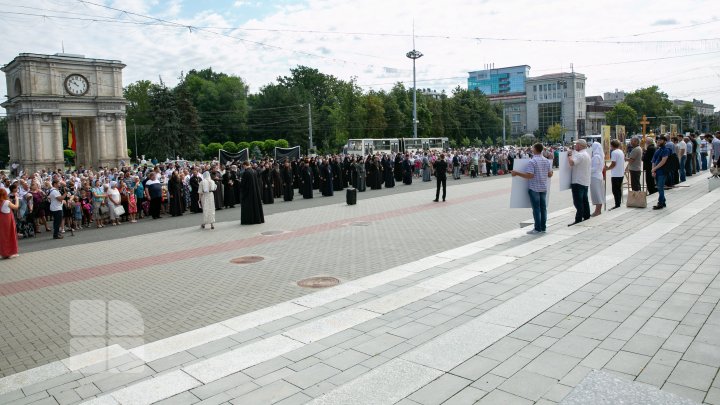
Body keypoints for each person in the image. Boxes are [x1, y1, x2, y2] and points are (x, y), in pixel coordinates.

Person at [511, 143, 553, 234]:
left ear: (535, 149)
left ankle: (537, 228)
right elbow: (550, 174)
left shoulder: (532, 161)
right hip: (543, 187)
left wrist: (517, 173)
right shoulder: (546, 160)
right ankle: (543, 227)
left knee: (536, 209)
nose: (531, 149)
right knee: (543, 208)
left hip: (534, 188)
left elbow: (530, 175)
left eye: (532, 147)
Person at [567, 139, 591, 226]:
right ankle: (586, 215)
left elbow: (572, 163)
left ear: (580, 145)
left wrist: (569, 155)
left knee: (578, 201)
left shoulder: (580, 155)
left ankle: (578, 219)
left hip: (578, 181)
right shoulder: (587, 154)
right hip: (584, 180)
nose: (575, 146)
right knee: (585, 200)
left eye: (576, 145)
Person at [651, 135, 671, 210]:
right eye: (658, 140)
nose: (658, 141)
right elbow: (653, 160)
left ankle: (660, 203)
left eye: (660, 140)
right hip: (656, 171)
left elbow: (663, 161)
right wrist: (653, 170)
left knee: (660, 188)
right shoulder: (658, 150)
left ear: (665, 141)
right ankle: (663, 201)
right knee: (659, 187)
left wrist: (654, 169)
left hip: (662, 171)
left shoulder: (666, 150)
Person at [0, 188, 20, 258]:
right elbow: (16, 207)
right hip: (8, 220)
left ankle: (4, 253)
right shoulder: (6, 202)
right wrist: (17, 199)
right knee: (10, 235)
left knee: (3, 236)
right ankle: (10, 252)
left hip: (1, 220)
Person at [607, 140, 625, 210]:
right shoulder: (621, 151)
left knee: (615, 190)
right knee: (618, 189)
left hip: (616, 174)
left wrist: (608, 168)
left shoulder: (614, 152)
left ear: (612, 145)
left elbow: (613, 163)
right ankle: (618, 203)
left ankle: (617, 204)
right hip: (620, 173)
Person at [589, 141, 605, 217]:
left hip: (595, 177)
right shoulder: (600, 156)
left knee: (597, 194)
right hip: (598, 176)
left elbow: (595, 168)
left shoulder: (596, 157)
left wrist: (587, 170)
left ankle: (597, 211)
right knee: (599, 193)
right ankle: (598, 210)